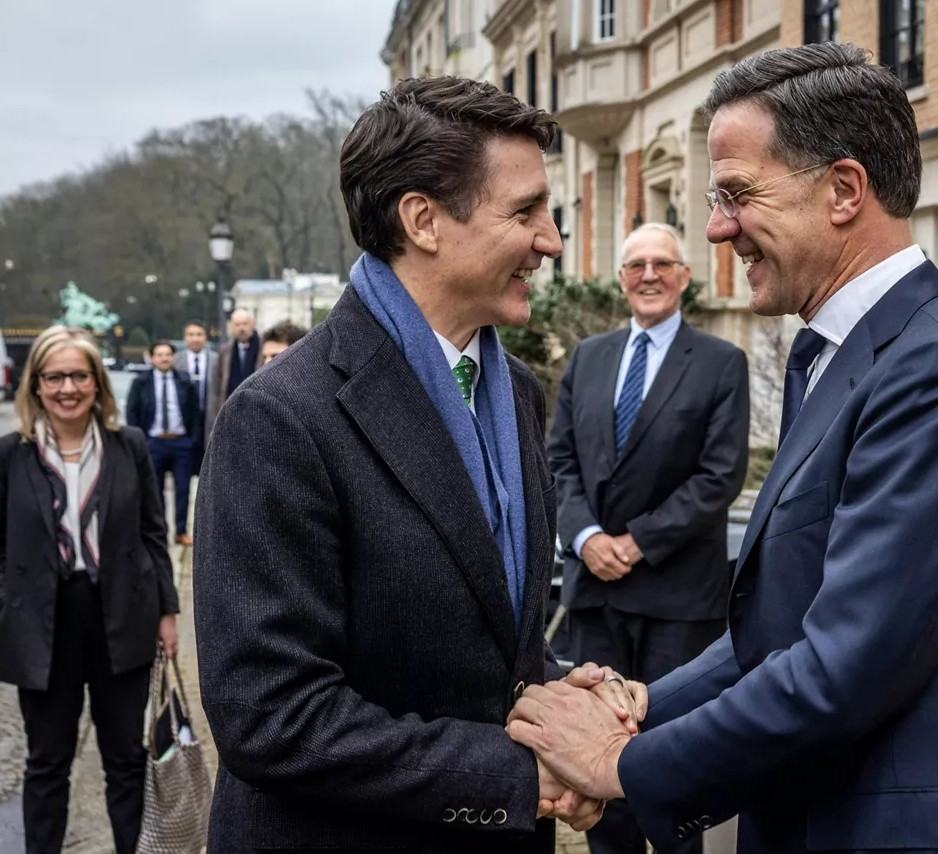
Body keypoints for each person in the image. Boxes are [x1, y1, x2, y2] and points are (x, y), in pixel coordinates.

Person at [507, 43, 938, 854]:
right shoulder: (843, 357)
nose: (715, 228)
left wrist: (621, 762)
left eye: (738, 195)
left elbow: (844, 669)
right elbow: (777, 635)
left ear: (844, 190)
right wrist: (641, 702)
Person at [193, 76, 639, 853]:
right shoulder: (279, 418)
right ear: (423, 220)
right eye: (526, 211)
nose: (553, 241)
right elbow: (269, 714)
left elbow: (483, 643)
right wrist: (517, 776)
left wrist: (569, 695)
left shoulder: (520, 394)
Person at [547, 222, 749, 854]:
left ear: (686, 277)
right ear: (621, 280)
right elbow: (558, 464)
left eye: (663, 263)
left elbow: (719, 477)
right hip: (594, 599)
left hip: (676, 598)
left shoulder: (722, 363)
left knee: (669, 764)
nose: (650, 275)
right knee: (598, 767)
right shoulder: (588, 357)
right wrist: (584, 537)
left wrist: (633, 544)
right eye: (636, 265)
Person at [0, 326, 179, 854]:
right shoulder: (8, 455)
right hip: (42, 624)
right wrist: (6, 601)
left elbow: (152, 532)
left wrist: (168, 611)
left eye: (79, 375)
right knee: (47, 763)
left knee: (125, 761)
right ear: (35, 385)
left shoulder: (130, 447)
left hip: (122, 617)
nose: (67, 387)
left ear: (98, 383)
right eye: (55, 377)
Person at [126, 341, 200, 545]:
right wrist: (140, 441)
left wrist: (191, 440)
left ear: (173, 358)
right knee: (153, 491)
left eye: (167, 355)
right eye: (159, 355)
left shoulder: (184, 381)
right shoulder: (141, 382)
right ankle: (159, 532)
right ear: (151, 358)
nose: (164, 358)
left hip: (180, 443)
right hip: (154, 443)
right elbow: (132, 413)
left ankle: (181, 531)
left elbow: (195, 412)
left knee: (183, 488)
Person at [174, 320, 218, 474]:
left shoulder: (217, 360)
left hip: (210, 417)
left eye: (199, 334)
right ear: (185, 338)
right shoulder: (175, 361)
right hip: (185, 421)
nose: (195, 338)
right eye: (191, 334)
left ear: (205, 338)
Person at [208, 308, 260, 424]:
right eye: (237, 325)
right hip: (231, 409)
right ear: (232, 327)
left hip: (257, 408)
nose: (241, 328)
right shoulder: (225, 350)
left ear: (252, 324)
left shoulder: (262, 348)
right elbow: (218, 384)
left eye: (244, 324)